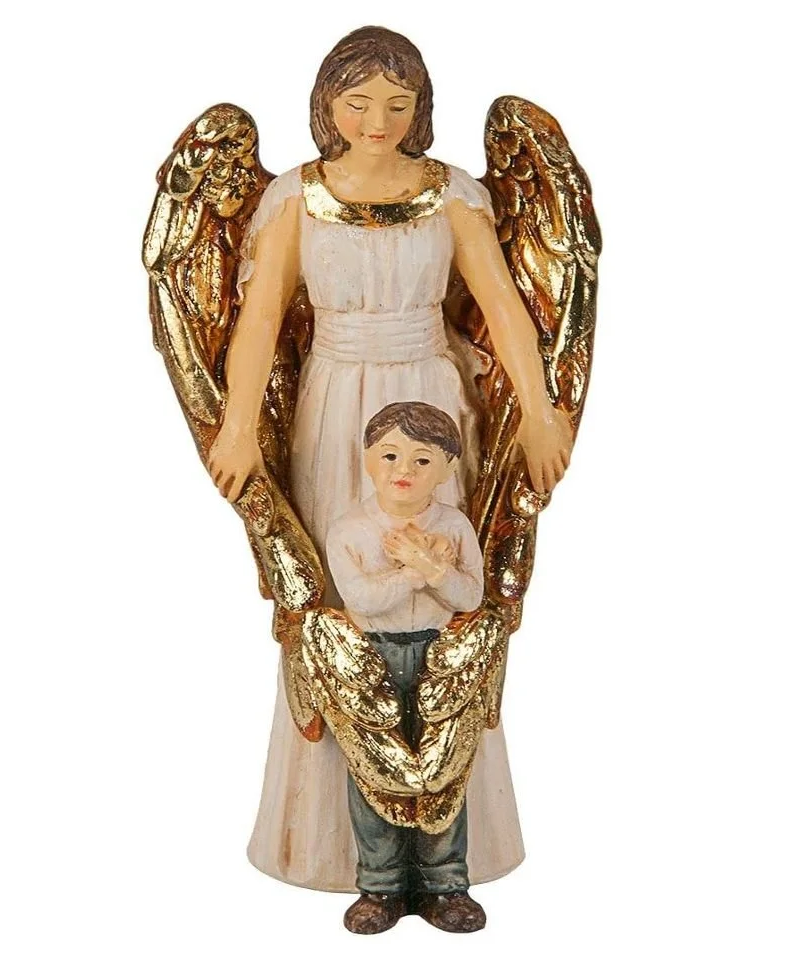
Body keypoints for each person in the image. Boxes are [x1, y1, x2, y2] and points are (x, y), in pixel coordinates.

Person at [205, 27, 573, 900]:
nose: (379, 121)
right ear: (327, 105)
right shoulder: (298, 197)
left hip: (431, 391)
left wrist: (539, 411)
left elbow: (503, 307)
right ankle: (340, 845)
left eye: (399, 104)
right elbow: (259, 320)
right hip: (336, 407)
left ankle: (447, 847)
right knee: (341, 594)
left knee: (439, 579)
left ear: (422, 109)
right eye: (359, 102)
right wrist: (237, 425)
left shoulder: (452, 195)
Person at [326, 402, 486, 933]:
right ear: (367, 459)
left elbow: (470, 596)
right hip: (373, 656)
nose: (404, 470)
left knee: (444, 767)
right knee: (376, 769)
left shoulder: (454, 525)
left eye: (423, 460)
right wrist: (419, 571)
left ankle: (446, 883)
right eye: (390, 455)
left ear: (447, 468)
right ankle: (381, 884)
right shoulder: (350, 529)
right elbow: (363, 599)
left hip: (441, 656)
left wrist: (433, 566)